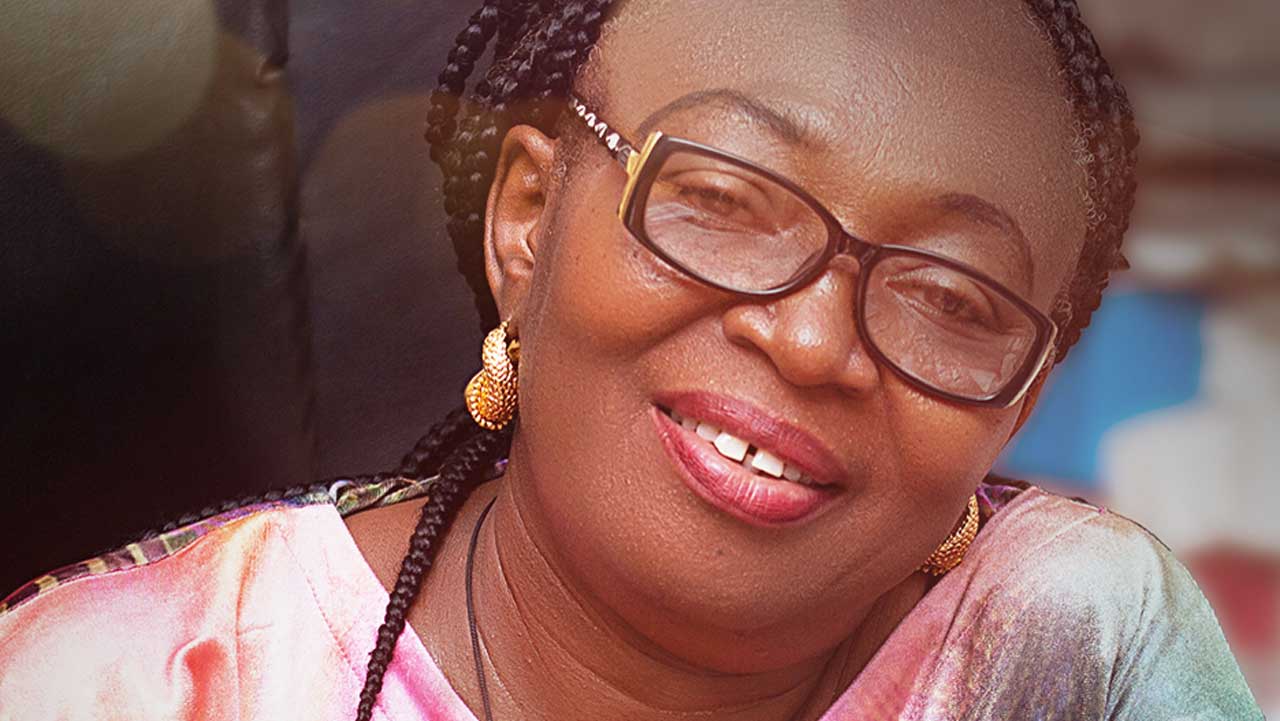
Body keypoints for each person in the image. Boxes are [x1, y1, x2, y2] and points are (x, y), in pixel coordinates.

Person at [0, 1, 1264, 719]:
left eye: (949, 294)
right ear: (526, 219)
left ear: (1020, 402)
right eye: (720, 199)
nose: (811, 340)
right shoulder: (138, 680)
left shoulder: (1070, 643)